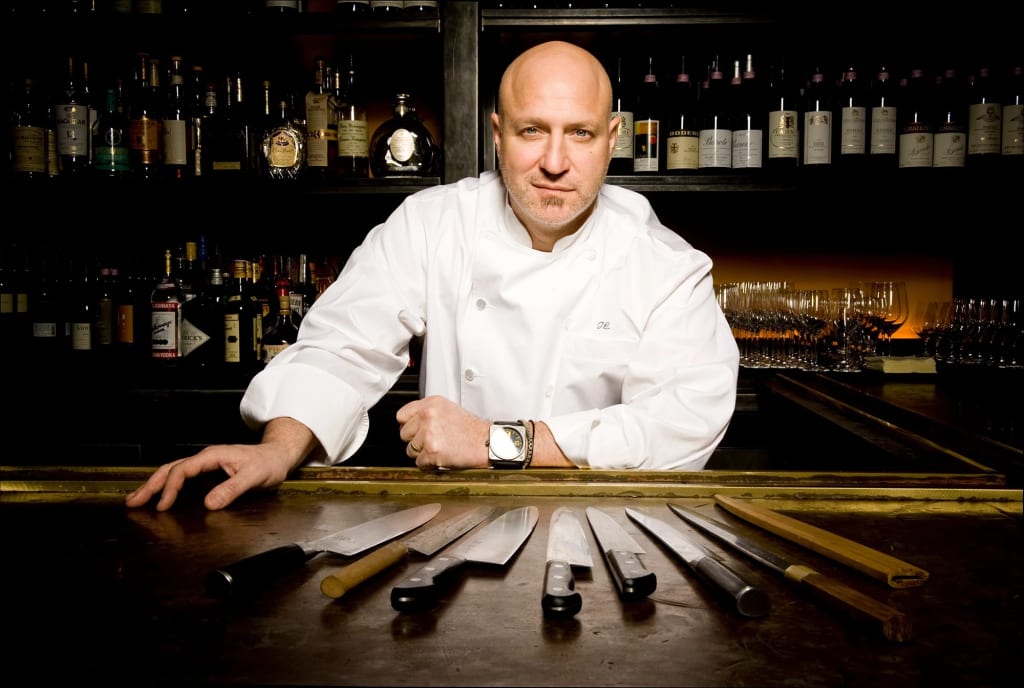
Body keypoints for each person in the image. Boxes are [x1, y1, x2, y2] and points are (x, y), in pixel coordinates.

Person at [126, 41, 740, 512]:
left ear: (612, 140)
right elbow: (341, 346)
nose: (555, 162)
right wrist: (278, 450)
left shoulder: (666, 266)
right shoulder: (433, 223)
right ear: (497, 136)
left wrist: (496, 442)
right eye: (532, 131)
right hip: (457, 524)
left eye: (579, 133)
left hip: (610, 533)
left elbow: (681, 428)